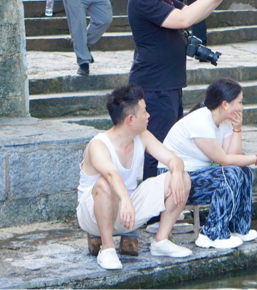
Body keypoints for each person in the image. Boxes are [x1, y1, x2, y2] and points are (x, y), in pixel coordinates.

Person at [127, 0, 234, 180]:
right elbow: (184, 20)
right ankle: (151, 203)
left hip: (169, 84)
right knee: (157, 148)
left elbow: (193, 13)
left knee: (169, 146)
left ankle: (165, 199)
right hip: (155, 86)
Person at [76, 84, 193, 270]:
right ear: (130, 119)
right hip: (93, 217)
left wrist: (177, 173)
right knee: (106, 184)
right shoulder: (98, 144)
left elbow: (174, 160)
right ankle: (107, 249)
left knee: (184, 179)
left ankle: (161, 241)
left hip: (127, 213)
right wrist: (125, 199)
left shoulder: (143, 136)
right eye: (145, 111)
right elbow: (111, 174)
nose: (149, 115)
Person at [160, 78, 257, 249]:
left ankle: (239, 227)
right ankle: (212, 233)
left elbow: (234, 158)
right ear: (225, 104)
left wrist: (237, 128)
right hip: (175, 181)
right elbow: (223, 160)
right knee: (230, 174)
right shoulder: (200, 120)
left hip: (196, 177)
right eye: (239, 102)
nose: (241, 107)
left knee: (243, 171)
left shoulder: (224, 122)